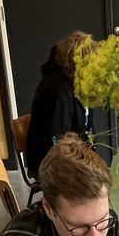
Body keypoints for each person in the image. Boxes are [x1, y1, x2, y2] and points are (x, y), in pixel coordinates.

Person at [25, 30, 91, 179]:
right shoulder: (60, 90)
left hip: (71, 153)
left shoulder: (73, 83)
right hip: (51, 163)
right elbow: (58, 142)